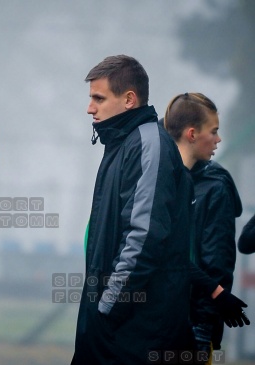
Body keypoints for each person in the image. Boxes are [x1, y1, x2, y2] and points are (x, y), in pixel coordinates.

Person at [71, 55, 196, 365]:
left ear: (129, 99)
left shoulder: (148, 143)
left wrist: (107, 308)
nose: (90, 108)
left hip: (137, 335)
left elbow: (143, 238)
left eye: (98, 98)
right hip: (113, 332)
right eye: (91, 99)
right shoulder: (121, 142)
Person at [164, 92, 249, 363]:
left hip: (196, 323)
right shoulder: (158, 179)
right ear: (191, 133)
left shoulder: (216, 188)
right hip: (157, 319)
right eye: (213, 131)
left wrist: (204, 324)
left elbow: (217, 263)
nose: (219, 139)